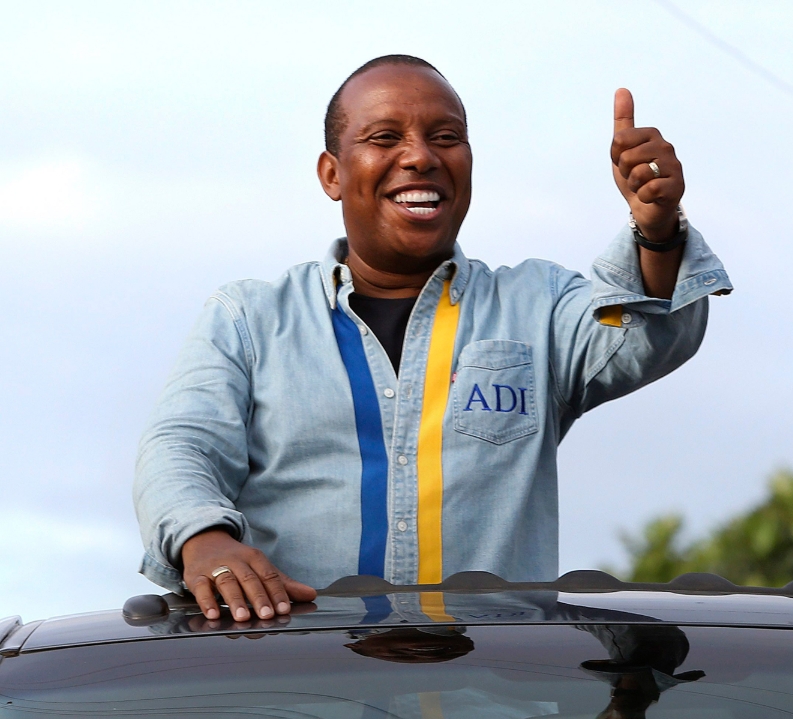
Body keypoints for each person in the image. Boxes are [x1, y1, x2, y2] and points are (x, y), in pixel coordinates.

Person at [134, 54, 731, 623]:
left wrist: (657, 232)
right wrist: (203, 540)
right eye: (384, 137)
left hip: (485, 710)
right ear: (331, 173)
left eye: (446, 137)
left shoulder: (537, 307)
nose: (419, 157)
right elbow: (180, 446)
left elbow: (647, 336)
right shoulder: (250, 319)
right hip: (301, 707)